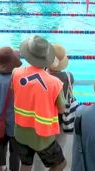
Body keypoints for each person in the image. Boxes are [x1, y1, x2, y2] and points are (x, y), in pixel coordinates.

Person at [12, 36, 66, 171]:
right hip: (43, 136)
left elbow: (14, 90)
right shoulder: (55, 83)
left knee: (26, 164)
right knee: (60, 164)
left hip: (20, 132)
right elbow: (61, 109)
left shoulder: (16, 73)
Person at [0, 47, 22, 171]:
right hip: (15, 121)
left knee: (0, 146)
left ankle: (0, 167)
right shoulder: (17, 80)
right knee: (14, 151)